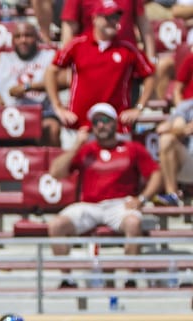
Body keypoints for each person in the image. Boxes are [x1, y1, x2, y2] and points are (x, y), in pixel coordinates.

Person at [47, 103, 162, 288]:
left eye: (105, 120)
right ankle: (66, 279)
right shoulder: (86, 150)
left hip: (120, 204)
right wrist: (76, 145)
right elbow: (55, 172)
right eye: (96, 121)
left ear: (115, 123)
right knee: (56, 225)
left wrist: (142, 199)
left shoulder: (132, 148)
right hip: (90, 205)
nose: (101, 125)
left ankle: (130, 278)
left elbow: (157, 174)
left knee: (134, 223)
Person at [44, 0, 156, 130]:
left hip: (117, 126)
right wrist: (58, 106)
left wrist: (139, 107)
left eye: (115, 18)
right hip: (80, 124)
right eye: (107, 17)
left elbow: (150, 73)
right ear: (95, 18)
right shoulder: (77, 46)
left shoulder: (128, 50)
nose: (112, 22)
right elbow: (52, 70)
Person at [0, 22, 61, 147]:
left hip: (41, 115)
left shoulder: (49, 57)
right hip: (7, 115)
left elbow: (63, 81)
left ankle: (51, 165)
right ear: (13, 40)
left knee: (52, 127)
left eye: (28, 35)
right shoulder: (2, 60)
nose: (23, 40)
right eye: (18, 37)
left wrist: (27, 87)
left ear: (36, 37)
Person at [152, 51, 193, 206]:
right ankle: (172, 195)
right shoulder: (187, 106)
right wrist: (182, 129)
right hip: (188, 161)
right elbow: (168, 128)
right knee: (167, 139)